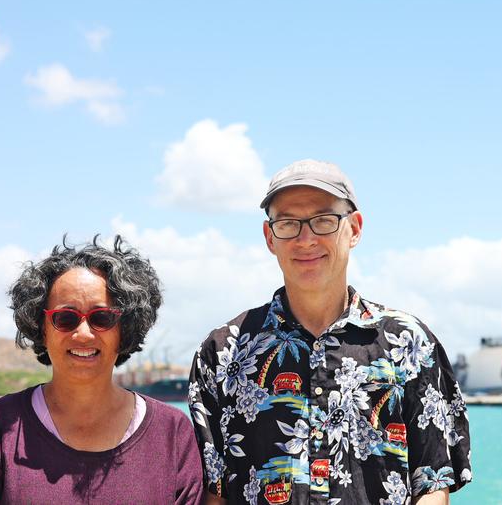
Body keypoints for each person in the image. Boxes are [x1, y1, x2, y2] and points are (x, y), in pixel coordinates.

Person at [189, 160, 471, 504]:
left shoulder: (409, 342)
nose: (306, 239)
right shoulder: (223, 353)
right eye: (289, 223)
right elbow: (213, 492)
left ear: (354, 228)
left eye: (323, 221)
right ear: (269, 237)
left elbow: (431, 485)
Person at [0, 236, 204, 504]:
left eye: (102, 318)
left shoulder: (172, 433)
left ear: (125, 328)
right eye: (65, 318)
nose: (83, 333)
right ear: (42, 328)